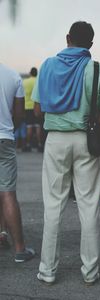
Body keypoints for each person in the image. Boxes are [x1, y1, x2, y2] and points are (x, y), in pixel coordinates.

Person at [31, 21, 100, 285]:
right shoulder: (97, 69)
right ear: (90, 43)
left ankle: (47, 271)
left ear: (68, 38)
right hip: (86, 140)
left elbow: (37, 111)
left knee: (53, 206)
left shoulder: (47, 65)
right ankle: (90, 272)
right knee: (88, 206)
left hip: (55, 140)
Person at [0, 63, 35, 262]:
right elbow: (20, 115)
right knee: (7, 193)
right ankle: (20, 250)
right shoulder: (13, 76)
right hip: (4, 138)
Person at [23, 67, 43, 152]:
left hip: (27, 107)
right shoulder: (39, 81)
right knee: (38, 126)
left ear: (30, 73)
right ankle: (40, 145)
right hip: (38, 107)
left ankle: (28, 145)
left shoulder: (25, 82)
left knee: (29, 126)